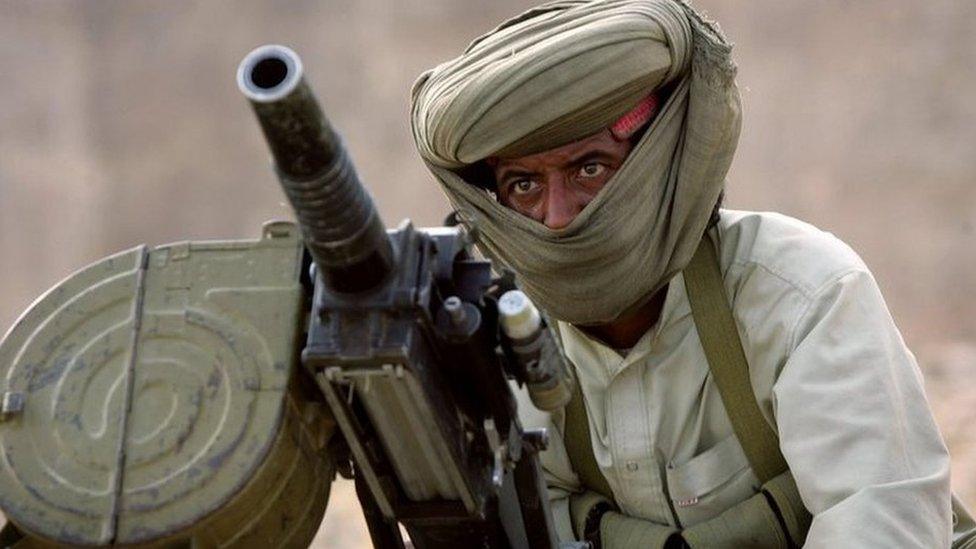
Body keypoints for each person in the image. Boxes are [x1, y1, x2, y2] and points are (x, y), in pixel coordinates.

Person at [410, 1, 976, 547]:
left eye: (590, 168)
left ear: (656, 166)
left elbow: (883, 523)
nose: (557, 218)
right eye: (524, 185)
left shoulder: (803, 295)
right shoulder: (498, 343)